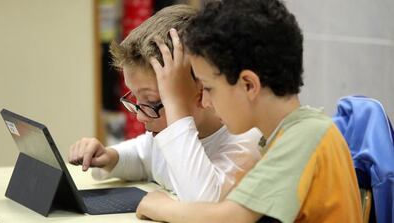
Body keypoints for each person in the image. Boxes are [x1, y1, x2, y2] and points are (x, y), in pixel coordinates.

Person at [135, 0, 362, 222]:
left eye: (210, 89)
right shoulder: (286, 136)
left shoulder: (305, 137)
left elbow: (229, 219)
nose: (205, 101)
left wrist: (161, 206)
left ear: (248, 85)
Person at [68, 4, 262, 202]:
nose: (140, 115)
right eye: (135, 98)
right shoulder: (162, 134)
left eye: (152, 101)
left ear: (203, 88)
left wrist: (175, 104)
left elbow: (203, 202)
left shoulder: (244, 140)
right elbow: (143, 156)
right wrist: (110, 157)